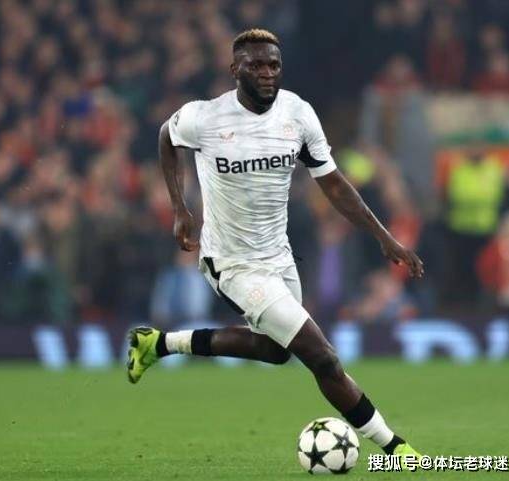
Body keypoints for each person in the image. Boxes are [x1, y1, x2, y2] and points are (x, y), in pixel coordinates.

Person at [127, 29, 424, 464]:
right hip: (231, 264)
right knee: (323, 358)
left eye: (274, 65)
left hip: (278, 258)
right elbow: (165, 138)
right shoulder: (205, 118)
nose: (267, 73)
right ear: (235, 69)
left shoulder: (298, 114)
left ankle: (158, 344)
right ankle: (397, 449)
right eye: (256, 65)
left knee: (276, 350)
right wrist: (180, 207)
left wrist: (384, 237)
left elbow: (334, 184)